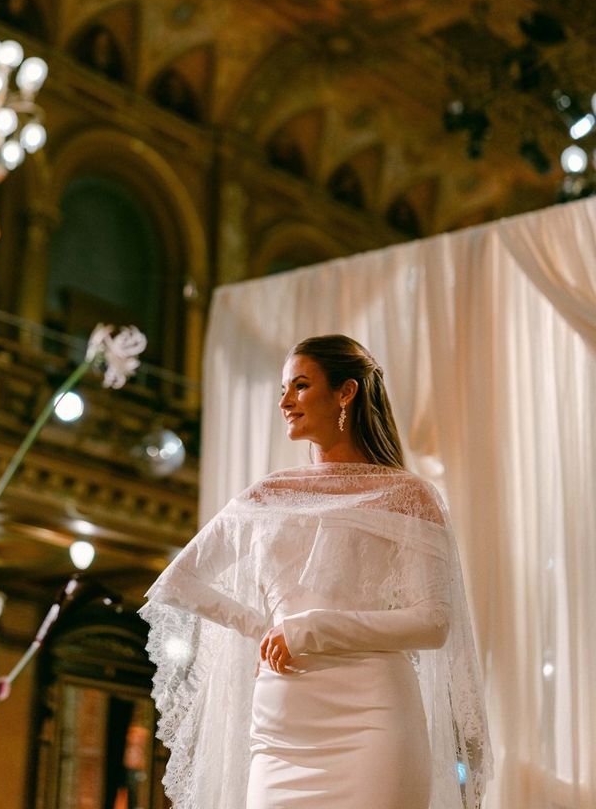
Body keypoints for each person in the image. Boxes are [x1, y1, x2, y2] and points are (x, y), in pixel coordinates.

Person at [140, 335, 491, 809]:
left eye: (300, 386)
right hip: (281, 727)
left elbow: (433, 623)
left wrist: (312, 629)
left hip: (374, 721)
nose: (285, 402)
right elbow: (178, 582)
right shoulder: (267, 494)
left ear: (346, 392)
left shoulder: (409, 497)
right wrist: (267, 629)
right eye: (283, 390)